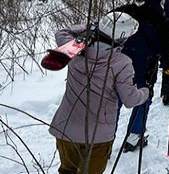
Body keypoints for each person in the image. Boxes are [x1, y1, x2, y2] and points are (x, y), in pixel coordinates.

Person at [49, 12, 149, 174]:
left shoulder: (73, 49)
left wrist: (91, 27)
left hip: (65, 129)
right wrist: (145, 91)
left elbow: (62, 32)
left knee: (67, 171)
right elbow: (130, 100)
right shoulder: (122, 63)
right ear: (122, 38)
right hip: (98, 137)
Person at [115, 0, 169, 151]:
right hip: (145, 66)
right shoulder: (161, 17)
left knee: (115, 99)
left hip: (120, 63)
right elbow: (166, 47)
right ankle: (134, 137)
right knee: (142, 98)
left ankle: (105, 141)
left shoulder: (126, 9)